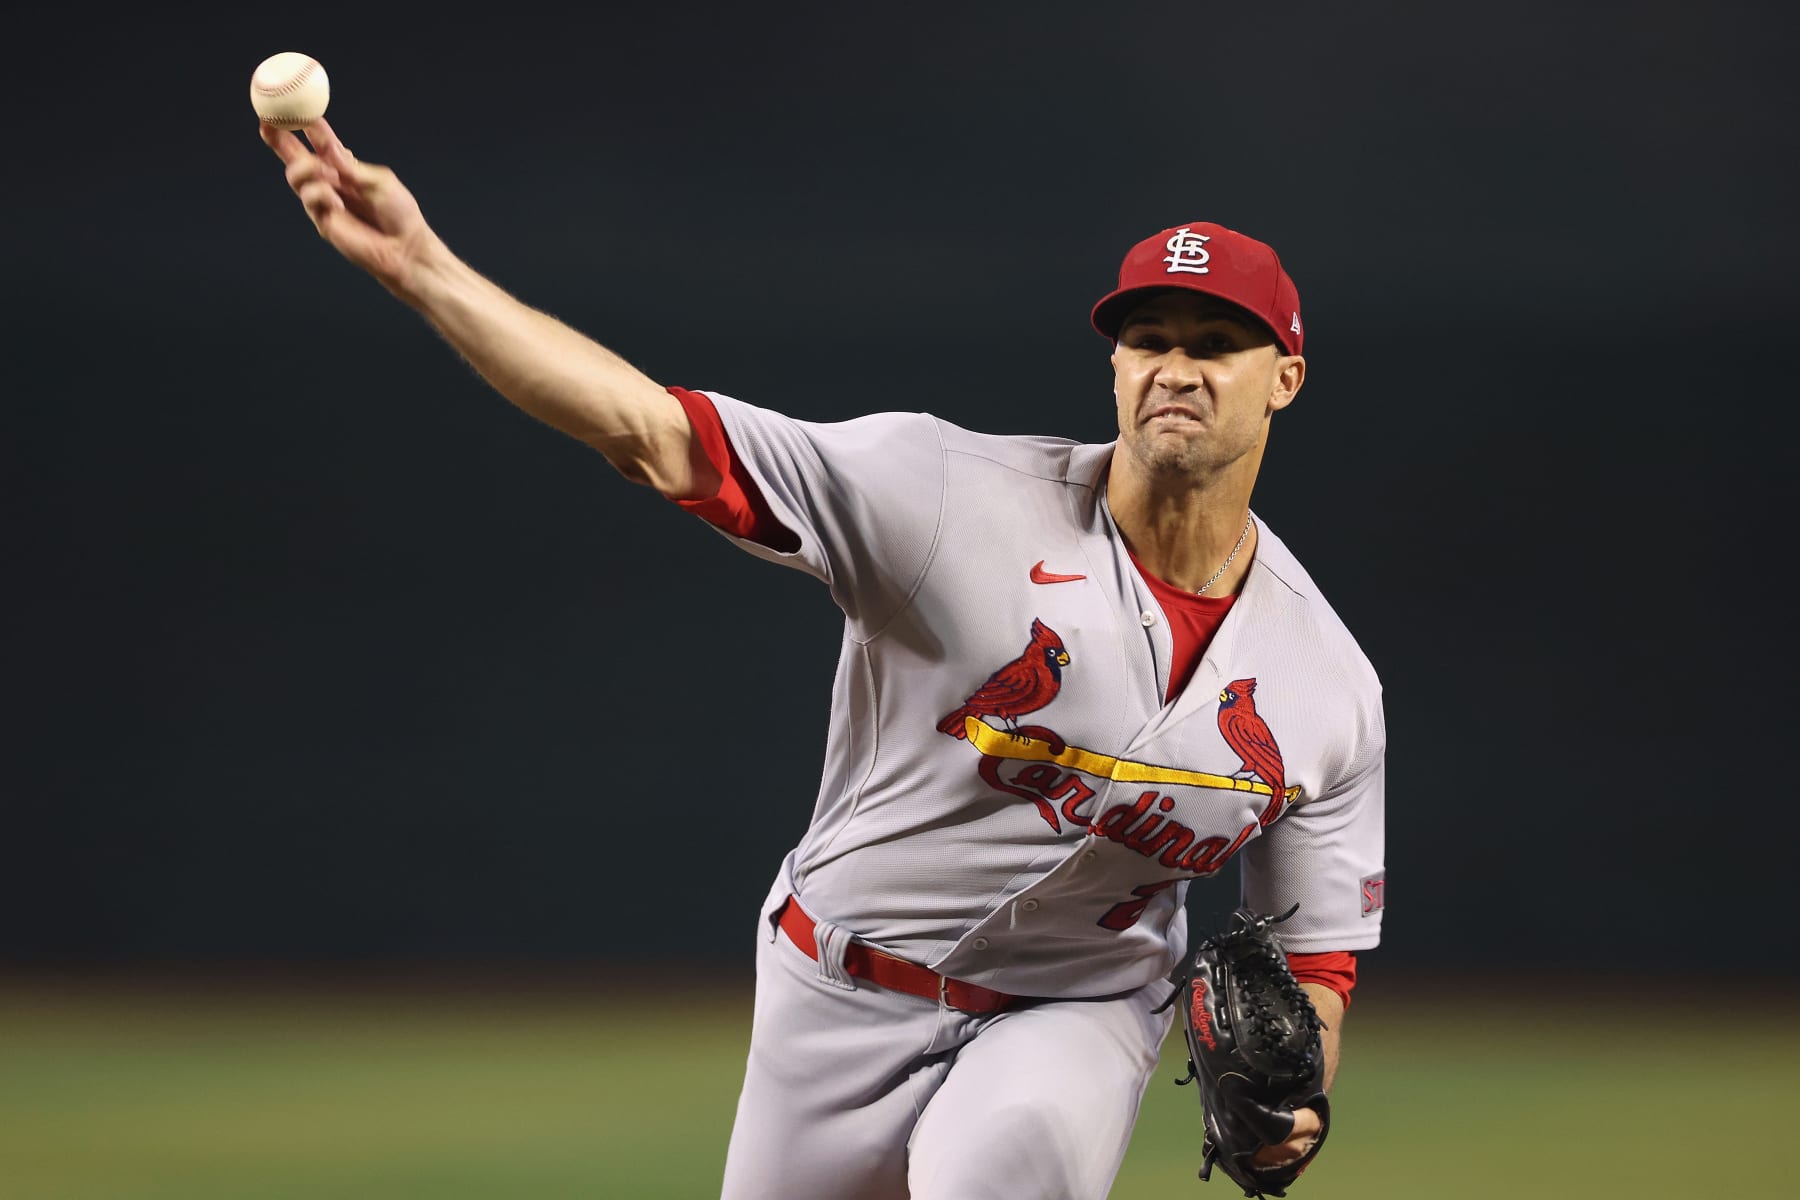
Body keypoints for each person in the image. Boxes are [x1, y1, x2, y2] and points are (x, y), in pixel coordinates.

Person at [259, 116, 1385, 1199]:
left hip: (1076, 1009)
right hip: (834, 989)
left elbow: (1319, 969)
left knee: (1013, 1167)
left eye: (1217, 345)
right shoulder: (943, 495)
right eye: (1150, 340)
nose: (1175, 368)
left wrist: (1297, 1107)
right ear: (1115, 367)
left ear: (1284, 376)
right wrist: (424, 269)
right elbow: (652, 431)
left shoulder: (1326, 684)